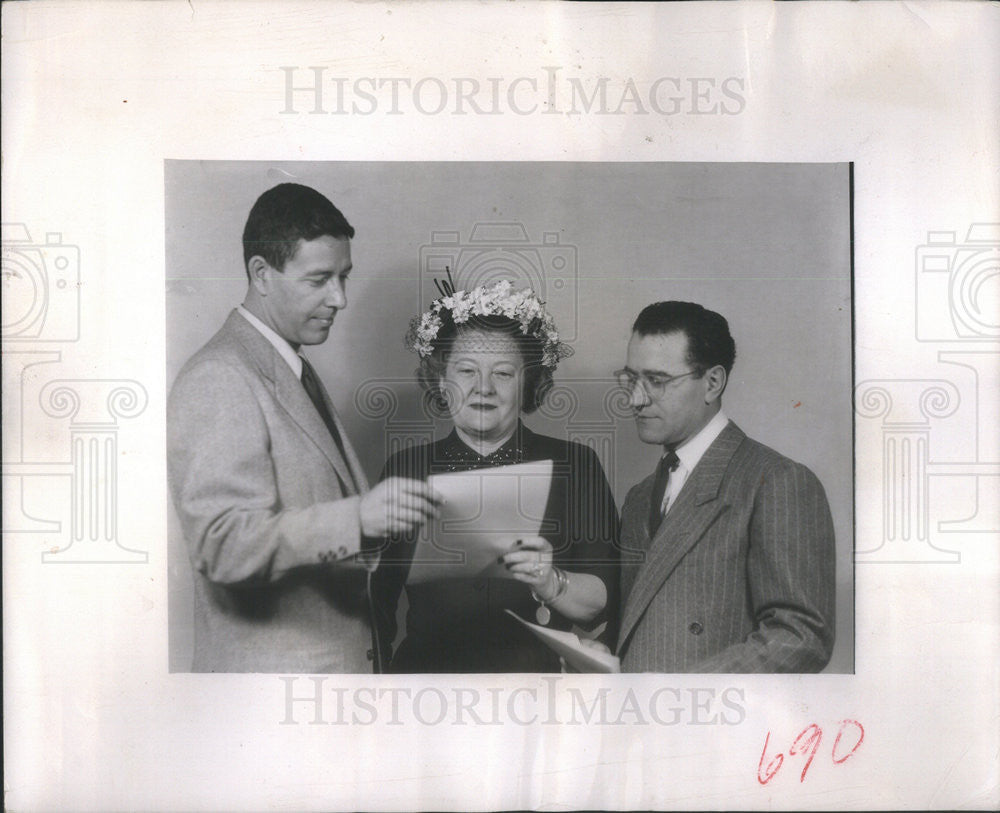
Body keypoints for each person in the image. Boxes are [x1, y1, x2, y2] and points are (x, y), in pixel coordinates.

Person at [167, 183, 440, 673]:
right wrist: (357, 520)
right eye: (319, 280)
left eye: (344, 277)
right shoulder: (221, 375)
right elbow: (222, 545)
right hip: (273, 703)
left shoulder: (290, 366)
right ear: (261, 274)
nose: (339, 299)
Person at [371, 278, 620, 672]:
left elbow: (603, 601)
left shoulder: (576, 464)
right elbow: (373, 608)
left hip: (537, 693)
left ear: (528, 385)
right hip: (425, 693)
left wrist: (549, 580)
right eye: (466, 370)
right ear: (440, 379)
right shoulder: (405, 471)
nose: (483, 388)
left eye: (503, 374)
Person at [613, 301, 835, 673]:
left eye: (656, 381)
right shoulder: (639, 498)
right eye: (631, 379)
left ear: (713, 383)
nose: (635, 398)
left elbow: (801, 634)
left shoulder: (776, 482)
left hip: (716, 724)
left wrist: (687, 694)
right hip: (638, 721)